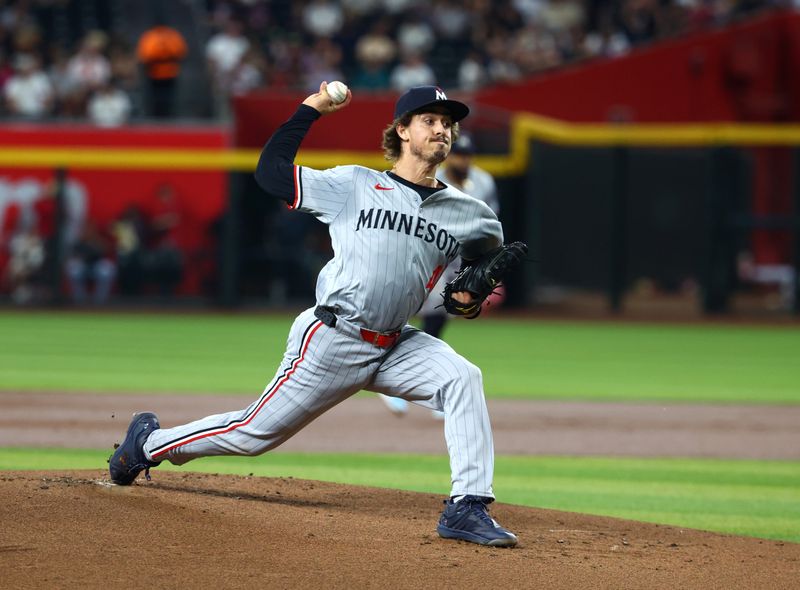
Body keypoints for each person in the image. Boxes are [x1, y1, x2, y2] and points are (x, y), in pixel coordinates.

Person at [109, 84, 519, 548]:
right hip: (334, 336)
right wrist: (310, 109)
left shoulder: (474, 217)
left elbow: (468, 284)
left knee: (462, 378)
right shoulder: (354, 184)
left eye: (448, 124)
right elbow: (271, 173)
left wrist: (466, 301)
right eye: (429, 120)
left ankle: (467, 507)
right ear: (402, 130)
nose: (442, 130)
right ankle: (147, 444)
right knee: (252, 434)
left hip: (398, 343)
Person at [379, 132, 500, 418]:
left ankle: (412, 380)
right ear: (449, 156)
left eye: (468, 155)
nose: (464, 160)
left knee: (440, 314)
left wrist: (487, 267)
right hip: (427, 253)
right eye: (459, 155)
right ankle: (409, 381)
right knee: (415, 310)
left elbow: (490, 225)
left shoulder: (483, 182)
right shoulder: (434, 179)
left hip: (460, 260)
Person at [136, 23, 188, 118]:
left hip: (169, 72)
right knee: (156, 97)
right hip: (154, 72)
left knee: (168, 97)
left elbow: (181, 53)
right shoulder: (153, 35)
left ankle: (167, 115)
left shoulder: (167, 35)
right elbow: (144, 56)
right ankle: (157, 115)